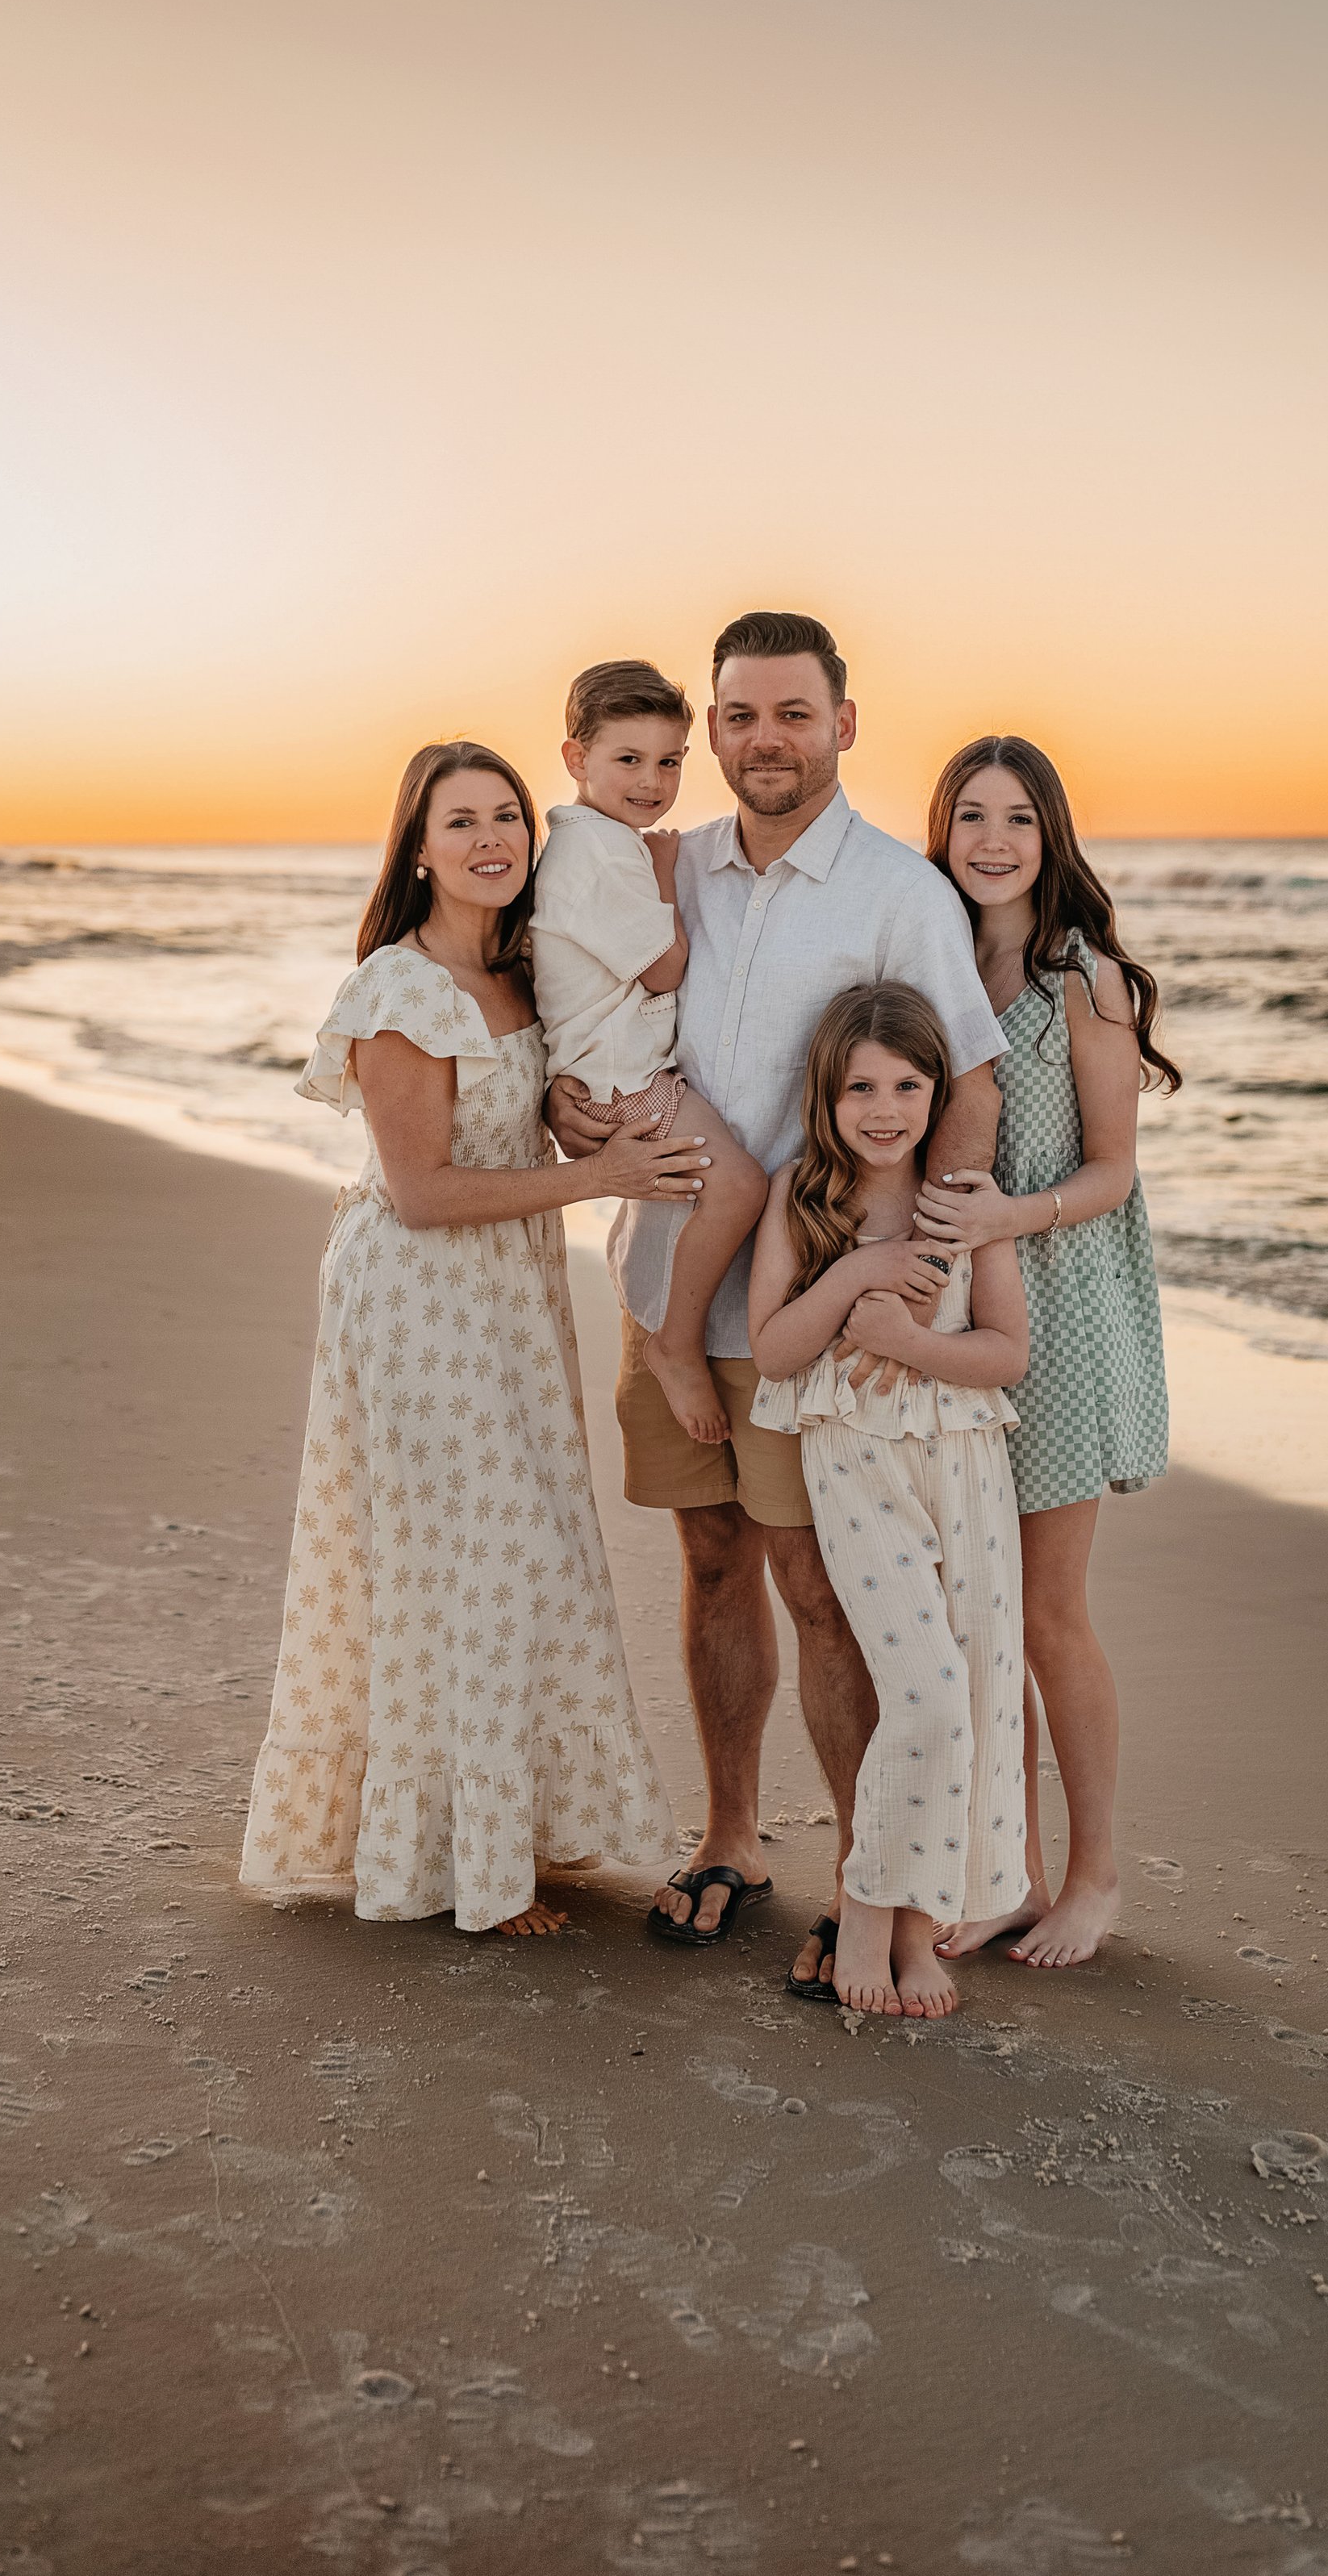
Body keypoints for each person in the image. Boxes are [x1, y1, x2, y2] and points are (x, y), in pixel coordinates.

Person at [546, 611, 1006, 1978]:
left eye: (792, 714)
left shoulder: (899, 894)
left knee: (824, 1588)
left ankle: (873, 1885)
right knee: (707, 1562)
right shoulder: (666, 866)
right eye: (739, 717)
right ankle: (731, 1835)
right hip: (667, 1275)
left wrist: (918, 1291)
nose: (763, 742)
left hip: (821, 1313)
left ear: (844, 724)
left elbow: (967, 1089)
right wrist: (579, 1123)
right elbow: (596, 1019)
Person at [238, 739, 694, 1937]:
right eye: (462, 822)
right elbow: (426, 1190)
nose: (492, 838)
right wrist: (599, 1171)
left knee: (519, 1554)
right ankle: (476, 1870)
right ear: (420, 847)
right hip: (420, 1301)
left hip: (508, 1292)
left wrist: (579, 1112)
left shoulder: (520, 971)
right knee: (472, 1563)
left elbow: (530, 1109)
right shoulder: (404, 988)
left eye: (506, 816)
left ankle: (503, 1831)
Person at [916, 735, 1177, 1969]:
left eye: (1018, 818)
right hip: (955, 1311)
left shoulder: (1089, 979)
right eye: (972, 816)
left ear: (1050, 832)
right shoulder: (931, 962)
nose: (994, 840)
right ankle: (1005, 1868)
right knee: (979, 1612)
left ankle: (1095, 1876)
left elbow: (1113, 1167)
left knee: (1048, 1615)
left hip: (1061, 1311)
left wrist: (1006, 1217)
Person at [747, 983, 1029, 2019]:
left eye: (908, 1085)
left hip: (965, 1468)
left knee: (976, 1694)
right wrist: (856, 1272)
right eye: (860, 1086)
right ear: (826, 1096)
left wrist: (913, 1345)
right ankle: (866, 1903)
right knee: (925, 1695)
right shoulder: (800, 1196)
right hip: (858, 1472)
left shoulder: (963, 1200)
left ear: (935, 1091)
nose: (884, 1107)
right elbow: (775, 1348)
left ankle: (921, 1926)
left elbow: (1006, 1353)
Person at [529, 658, 768, 1451]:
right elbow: (664, 968)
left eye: (669, 761)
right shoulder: (601, 854)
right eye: (627, 760)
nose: (652, 781)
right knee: (737, 1188)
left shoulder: (594, 843)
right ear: (576, 759)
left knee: (727, 1188)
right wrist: (667, 878)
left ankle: (668, 1324)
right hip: (625, 1086)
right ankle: (675, 1338)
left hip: (614, 1076)